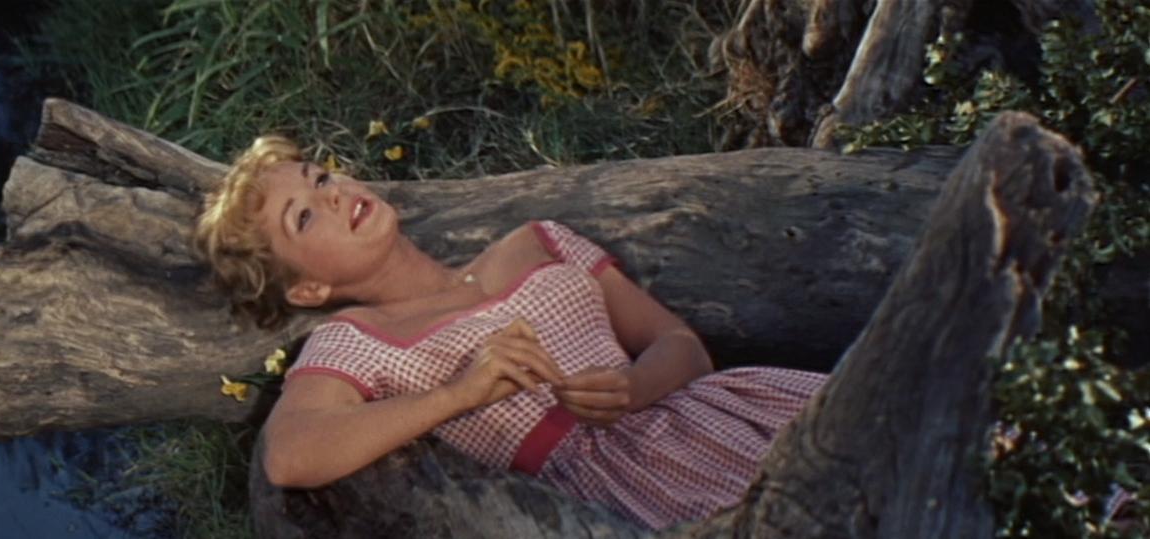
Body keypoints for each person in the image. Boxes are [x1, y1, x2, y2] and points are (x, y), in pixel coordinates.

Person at [193, 135, 827, 529]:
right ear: (308, 291)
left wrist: (634, 387)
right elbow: (290, 455)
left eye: (321, 179)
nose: (332, 196)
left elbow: (682, 346)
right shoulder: (354, 337)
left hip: (729, 415)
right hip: (625, 489)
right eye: (304, 217)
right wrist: (458, 395)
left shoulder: (537, 239)